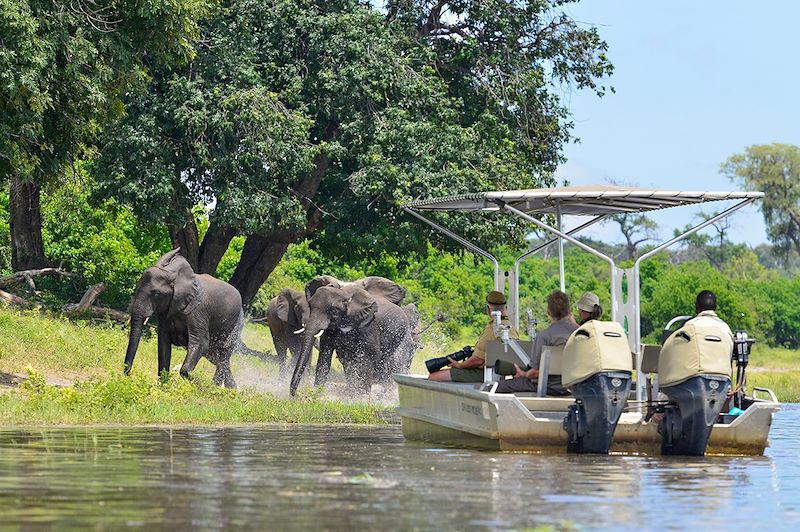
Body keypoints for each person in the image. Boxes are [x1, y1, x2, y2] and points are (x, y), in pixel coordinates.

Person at [495, 290, 580, 394]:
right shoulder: (580, 334)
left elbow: (534, 372)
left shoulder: (544, 336)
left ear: (548, 311)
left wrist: (523, 374)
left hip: (549, 387)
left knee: (498, 386)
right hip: (574, 387)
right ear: (569, 311)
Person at [428, 290, 519, 383]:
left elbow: (477, 360)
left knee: (434, 376)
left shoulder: (493, 329)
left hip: (483, 374)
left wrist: (460, 365)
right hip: (498, 375)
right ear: (506, 308)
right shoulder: (511, 328)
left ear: (488, 308)